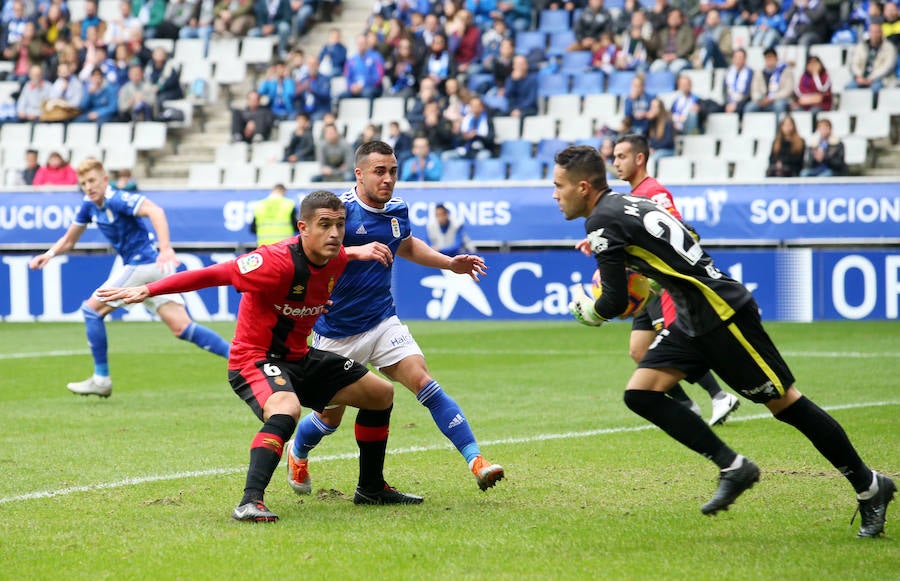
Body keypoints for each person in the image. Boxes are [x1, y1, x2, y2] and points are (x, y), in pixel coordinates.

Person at [552, 144, 896, 538]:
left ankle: (871, 487)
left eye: (558, 185)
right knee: (641, 393)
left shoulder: (601, 222)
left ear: (582, 187)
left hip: (722, 316)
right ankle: (734, 467)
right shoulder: (629, 204)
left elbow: (613, 299)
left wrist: (589, 310)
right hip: (692, 317)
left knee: (787, 405)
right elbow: (686, 237)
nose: (554, 194)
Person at [97, 190, 423, 522]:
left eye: (340, 224)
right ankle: (250, 501)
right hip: (254, 358)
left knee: (380, 394)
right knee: (286, 408)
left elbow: (321, 279)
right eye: (325, 225)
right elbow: (213, 274)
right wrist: (148, 289)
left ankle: (370, 488)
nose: (335, 233)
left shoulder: (336, 258)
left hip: (300, 357)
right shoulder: (274, 260)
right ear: (303, 227)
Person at [287, 141, 504, 496]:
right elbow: (307, 251)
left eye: (393, 171)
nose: (388, 179)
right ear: (359, 174)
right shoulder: (340, 212)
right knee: (330, 418)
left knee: (423, 381)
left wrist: (449, 263)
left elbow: (404, 244)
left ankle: (477, 461)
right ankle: (298, 453)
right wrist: (353, 251)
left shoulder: (397, 209)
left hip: (382, 320)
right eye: (379, 171)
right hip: (336, 333)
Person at [28, 158, 231, 398]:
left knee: (92, 311)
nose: (88, 186)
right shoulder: (89, 204)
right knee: (183, 328)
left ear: (105, 179)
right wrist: (49, 254)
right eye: (83, 183)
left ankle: (101, 379)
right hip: (151, 269)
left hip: (144, 264)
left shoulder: (117, 198)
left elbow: (156, 211)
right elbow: (70, 240)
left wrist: (166, 248)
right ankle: (241, 358)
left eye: (92, 180)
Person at [609, 134, 740, 426]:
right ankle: (686, 406)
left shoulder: (654, 192)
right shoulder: (633, 195)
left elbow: (676, 231)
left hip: (663, 285)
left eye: (621, 156)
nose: (615, 162)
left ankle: (720, 396)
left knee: (676, 346)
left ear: (639, 158)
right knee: (639, 350)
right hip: (646, 285)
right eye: (614, 157)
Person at [846, 21, 898, 95]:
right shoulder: (860, 47)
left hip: (880, 79)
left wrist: (871, 78)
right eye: (873, 32)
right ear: (869, 32)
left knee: (875, 88)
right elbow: (853, 64)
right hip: (861, 78)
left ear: (882, 33)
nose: (875, 34)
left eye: (877, 32)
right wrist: (858, 77)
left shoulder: (889, 48)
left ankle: (874, 106)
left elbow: (887, 67)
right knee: (848, 88)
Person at [744, 47, 793, 117]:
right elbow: (754, 90)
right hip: (762, 101)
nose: (769, 60)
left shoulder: (785, 71)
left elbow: (787, 91)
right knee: (750, 107)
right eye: (767, 58)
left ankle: (779, 127)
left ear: (776, 58)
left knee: (779, 106)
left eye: (771, 57)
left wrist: (772, 98)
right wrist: (760, 99)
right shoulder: (759, 73)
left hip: (778, 100)